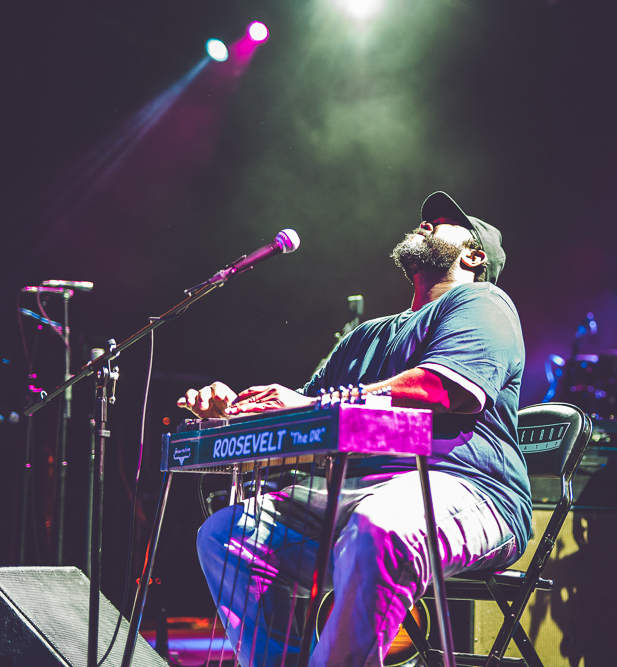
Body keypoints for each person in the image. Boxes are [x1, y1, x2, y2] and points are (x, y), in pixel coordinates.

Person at [178, 191, 531, 667]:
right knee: (226, 536)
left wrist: (313, 402)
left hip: (469, 488)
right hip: (356, 495)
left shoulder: (482, 302)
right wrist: (228, 413)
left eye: (444, 222)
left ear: (473, 255)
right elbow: (306, 417)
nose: (426, 224)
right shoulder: (365, 337)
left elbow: (446, 389)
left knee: (383, 526)